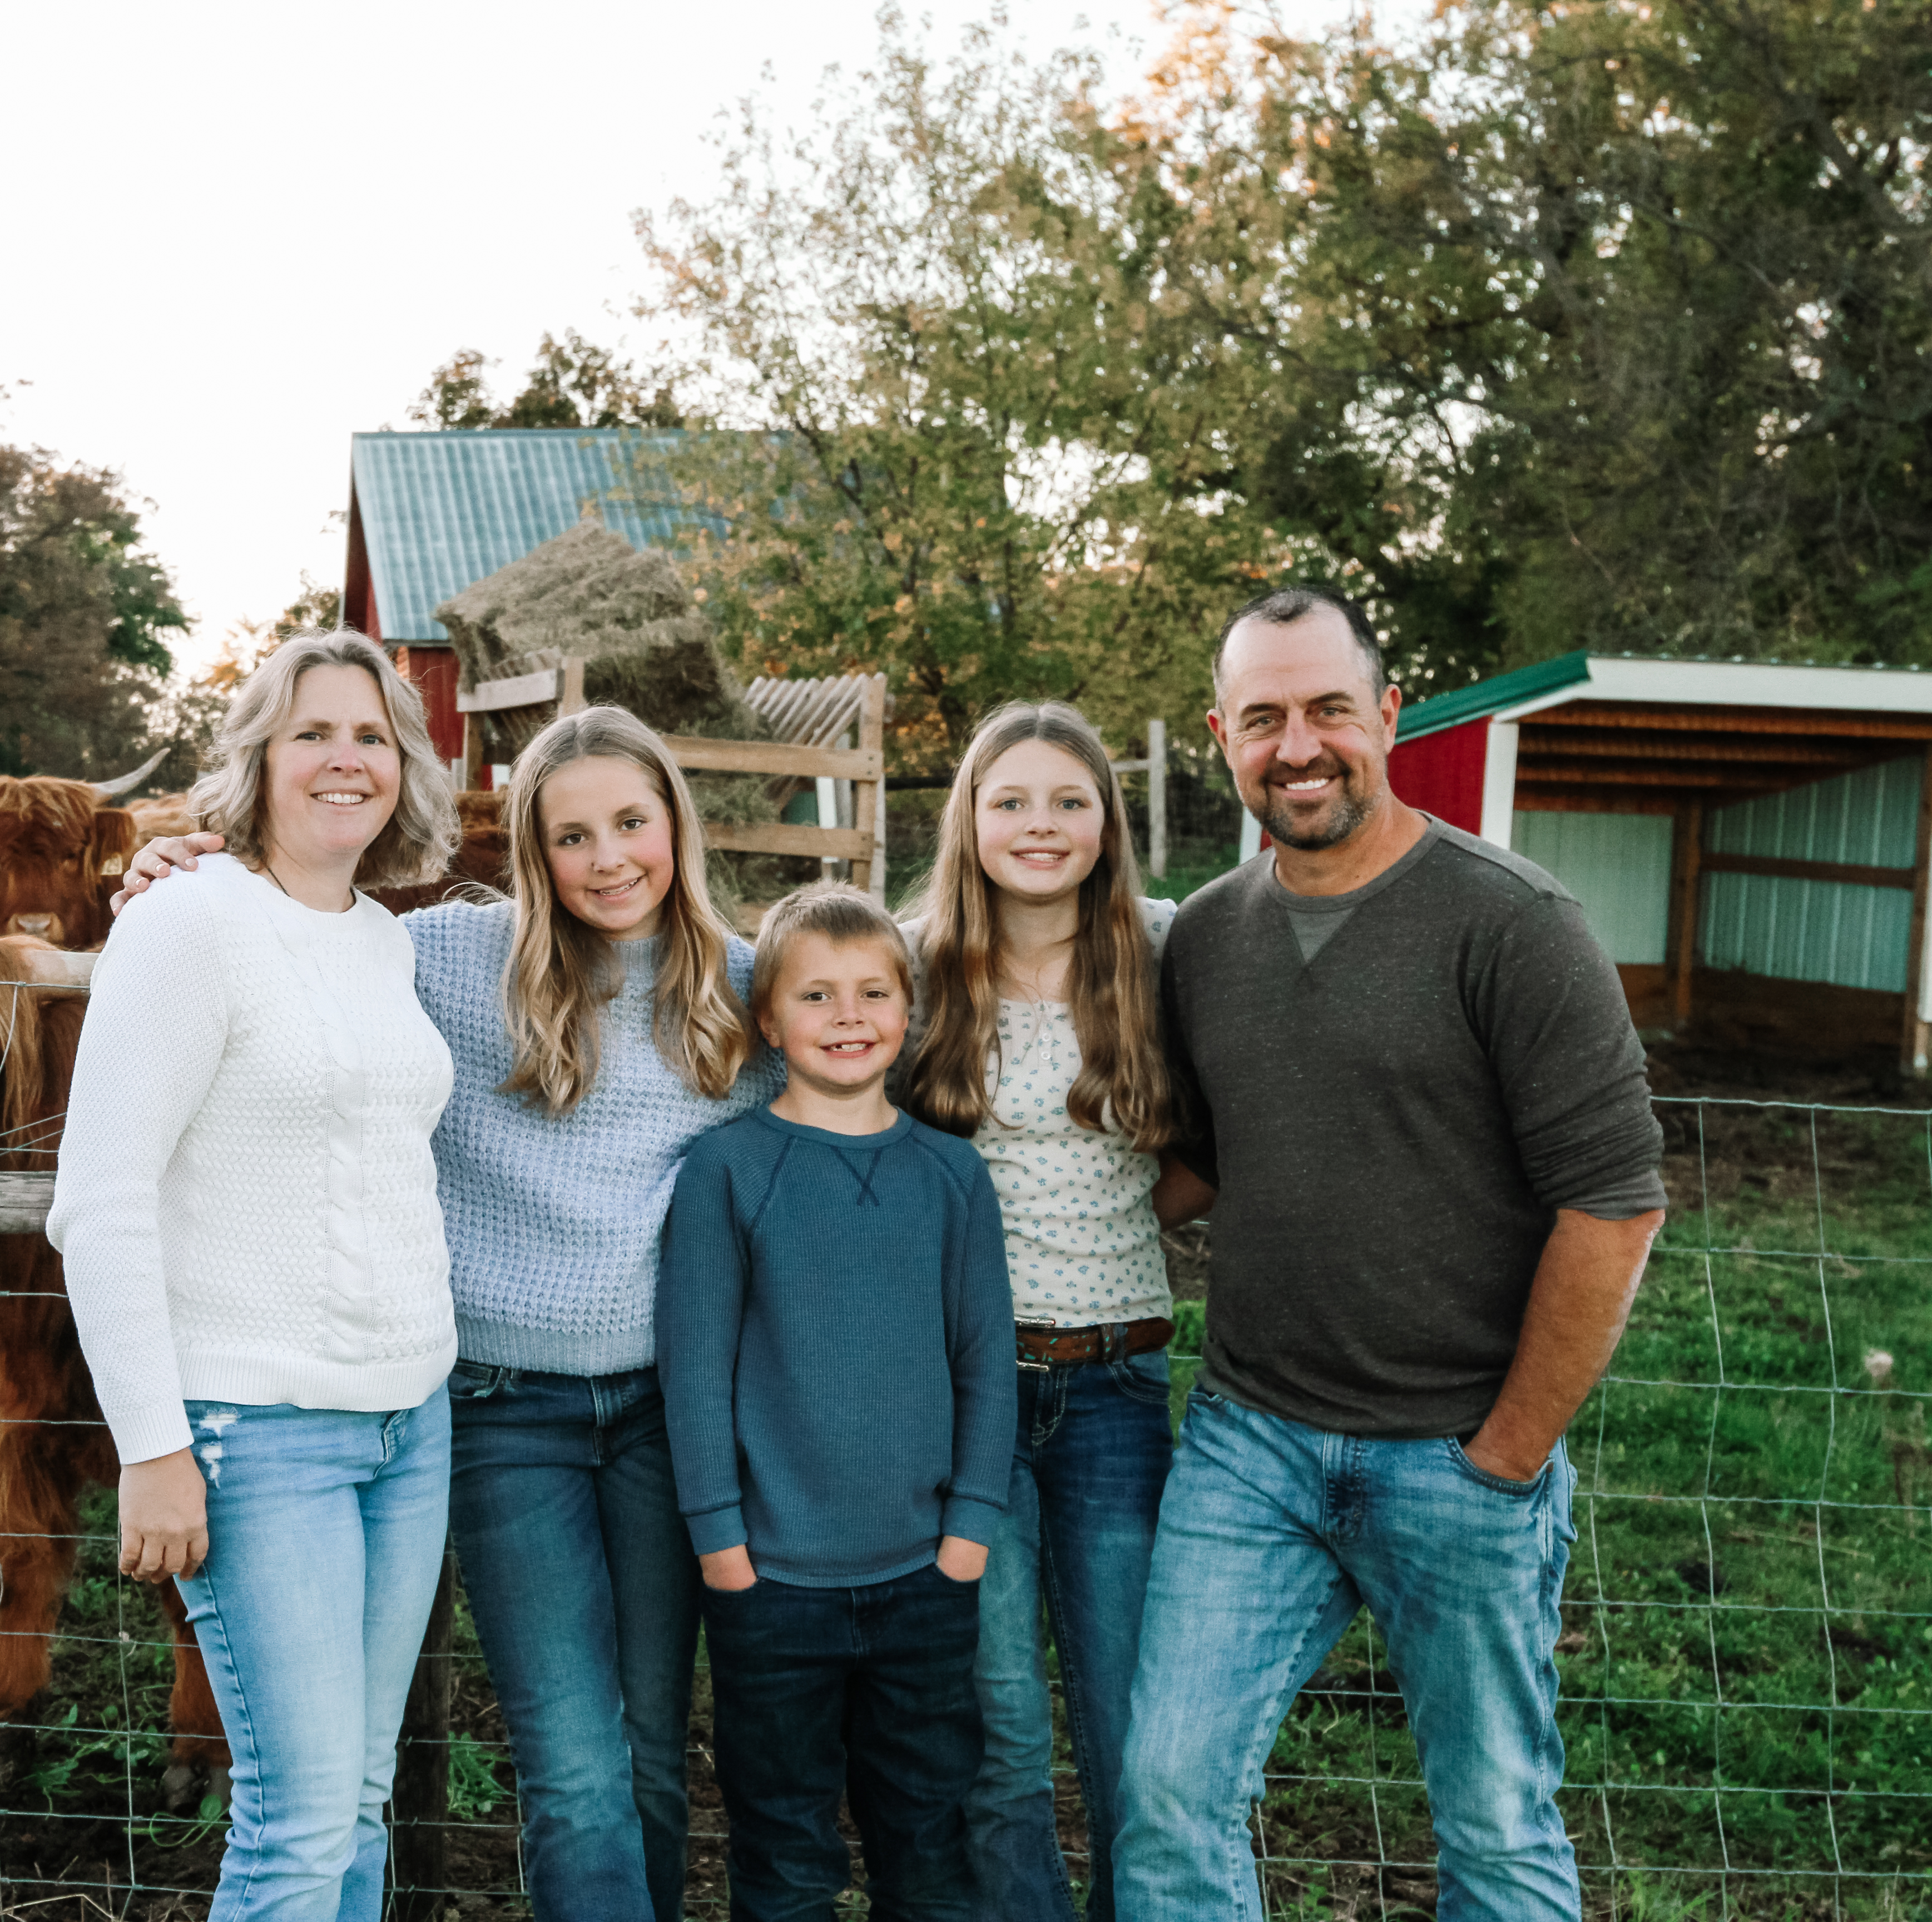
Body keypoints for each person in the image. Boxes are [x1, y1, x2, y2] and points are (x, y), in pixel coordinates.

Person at [116, 702, 777, 1922]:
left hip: (668, 1416)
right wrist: (172, 877)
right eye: (572, 836)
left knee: (649, 1759)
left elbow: (893, 991)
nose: (610, 858)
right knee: (574, 1766)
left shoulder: (746, 990)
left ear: (677, 827)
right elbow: (286, 937)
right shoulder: (451, 961)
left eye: (634, 822)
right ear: (531, 851)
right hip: (504, 1414)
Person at [1109, 587, 1668, 1919]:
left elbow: (1615, 1206)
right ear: (1220, 737)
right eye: (1263, 720)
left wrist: (1511, 1457)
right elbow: (1215, 1155)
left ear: (1388, 717)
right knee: (1169, 1793)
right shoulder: (1209, 939)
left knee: (1494, 1822)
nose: (1297, 747)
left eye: (1327, 712)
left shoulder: (1514, 926)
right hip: (1251, 1447)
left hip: (1458, 1452)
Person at [47, 629, 465, 1921]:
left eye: (373, 736)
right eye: (313, 734)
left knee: (358, 1800)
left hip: (408, 1424)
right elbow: (98, 1202)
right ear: (259, 761)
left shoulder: (381, 943)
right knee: (294, 1820)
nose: (347, 759)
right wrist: (153, 1448)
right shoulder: (185, 925)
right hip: (255, 1431)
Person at [660, 883, 1018, 1922]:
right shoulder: (727, 1170)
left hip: (925, 1578)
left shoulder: (951, 1177)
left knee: (929, 1845)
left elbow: (986, 1363)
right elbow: (696, 1370)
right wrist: (722, 1545)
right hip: (772, 1586)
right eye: (817, 995)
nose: (848, 1017)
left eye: (872, 993)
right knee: (783, 1852)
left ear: (910, 1011)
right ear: (769, 1019)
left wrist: (970, 1536)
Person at [895, 702, 1186, 1922]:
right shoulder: (911, 962)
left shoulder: (1166, 950)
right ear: (969, 817)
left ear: (1109, 826)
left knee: (1136, 1728)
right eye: (1011, 800)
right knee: (1003, 1724)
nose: (1041, 825)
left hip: (1117, 1387)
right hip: (970, 1397)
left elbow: (1207, 1152)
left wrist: (1113, 1233)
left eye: (1071, 801)